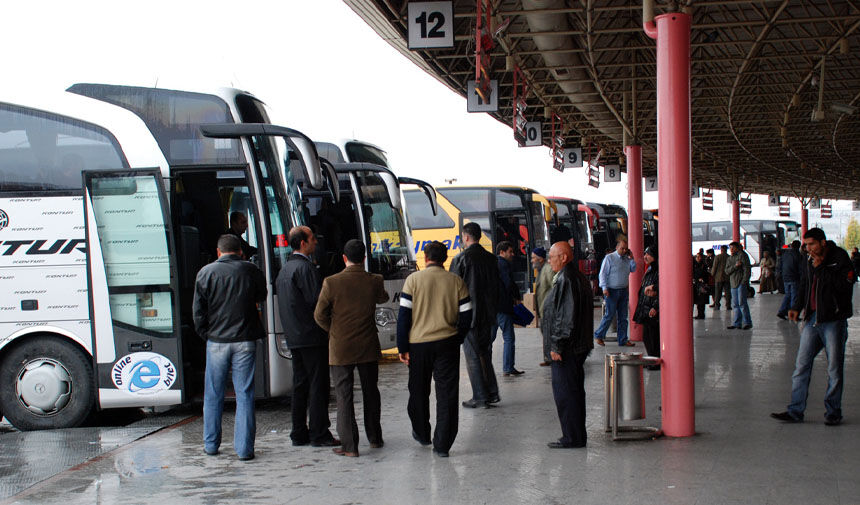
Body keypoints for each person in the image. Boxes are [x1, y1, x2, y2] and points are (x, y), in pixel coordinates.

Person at [771, 228, 855, 426]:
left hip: (833, 320)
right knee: (801, 366)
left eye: (811, 244)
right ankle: (795, 410)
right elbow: (805, 285)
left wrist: (821, 268)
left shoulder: (839, 257)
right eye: (806, 245)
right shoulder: (808, 260)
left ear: (823, 243)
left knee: (834, 368)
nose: (807, 248)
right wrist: (796, 306)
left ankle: (833, 412)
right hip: (812, 319)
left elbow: (844, 286)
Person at [193, 234, 266, 461]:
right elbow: (261, 296)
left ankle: (211, 445)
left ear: (218, 252)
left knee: (213, 394)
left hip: (216, 341)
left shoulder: (205, 273)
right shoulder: (250, 270)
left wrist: (208, 335)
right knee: (244, 394)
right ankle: (244, 450)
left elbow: (198, 313)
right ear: (240, 251)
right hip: (244, 340)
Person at [314, 239, 389, 457]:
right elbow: (382, 298)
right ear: (364, 258)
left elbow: (319, 315)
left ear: (344, 258)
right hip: (367, 344)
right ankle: (375, 438)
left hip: (341, 347)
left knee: (344, 395)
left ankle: (350, 446)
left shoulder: (331, 282)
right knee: (371, 392)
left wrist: (334, 331)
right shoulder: (375, 280)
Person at [397, 241, 472, 457]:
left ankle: (422, 432)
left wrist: (403, 347)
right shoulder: (456, 281)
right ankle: (442, 445)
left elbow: (404, 317)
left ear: (425, 257)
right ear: (445, 258)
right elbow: (467, 315)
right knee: (447, 394)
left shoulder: (413, 280)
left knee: (418, 390)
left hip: (418, 345)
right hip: (447, 343)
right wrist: (457, 338)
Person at [276, 226, 339, 448]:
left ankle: (298, 432)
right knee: (317, 385)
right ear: (302, 243)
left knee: (300, 385)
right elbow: (317, 302)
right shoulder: (306, 270)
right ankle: (319, 432)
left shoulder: (285, 270)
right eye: (312, 239)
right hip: (312, 335)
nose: (316, 243)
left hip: (295, 336)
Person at [543, 241, 594, 448]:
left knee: (566, 393)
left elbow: (566, 318)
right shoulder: (574, 276)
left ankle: (572, 437)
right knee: (572, 391)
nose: (549, 260)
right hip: (576, 346)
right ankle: (575, 435)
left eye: (552, 257)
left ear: (563, 257)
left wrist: (557, 346)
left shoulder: (567, 279)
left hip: (568, 348)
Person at [449, 222, 501, 408]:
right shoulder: (491, 258)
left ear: (466, 237)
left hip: (469, 315)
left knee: (472, 356)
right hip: (488, 314)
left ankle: (479, 396)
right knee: (485, 354)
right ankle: (492, 392)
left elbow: (453, 288)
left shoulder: (461, 259)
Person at [594, 236, 636, 346]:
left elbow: (633, 269)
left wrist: (632, 258)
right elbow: (602, 274)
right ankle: (599, 335)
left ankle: (622, 339)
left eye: (626, 249)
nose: (624, 251)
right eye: (622, 248)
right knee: (610, 314)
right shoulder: (609, 258)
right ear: (617, 247)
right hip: (611, 290)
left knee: (623, 316)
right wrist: (604, 288)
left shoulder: (627, 259)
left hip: (623, 290)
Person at [493, 241, 524, 376]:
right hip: (503, 306)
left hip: (493, 307)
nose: (512, 254)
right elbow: (508, 283)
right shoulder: (504, 264)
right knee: (509, 338)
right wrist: (515, 297)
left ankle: (484, 366)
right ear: (502, 252)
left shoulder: (492, 263)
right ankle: (508, 368)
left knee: (489, 338)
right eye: (510, 252)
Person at [633, 246, 659, 369]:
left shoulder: (659, 269)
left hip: (652, 308)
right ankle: (651, 359)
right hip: (646, 306)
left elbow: (663, 289)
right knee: (647, 336)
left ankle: (654, 361)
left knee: (653, 337)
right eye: (645, 254)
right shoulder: (650, 269)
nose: (645, 257)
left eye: (648, 254)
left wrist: (655, 307)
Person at [532, 247, 555, 367]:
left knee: (547, 333)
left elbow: (554, 288)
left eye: (533, 258)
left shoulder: (548, 270)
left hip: (548, 308)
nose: (532, 261)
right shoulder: (542, 270)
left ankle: (550, 358)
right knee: (545, 332)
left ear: (540, 259)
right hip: (543, 308)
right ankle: (548, 357)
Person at [725, 241, 752, 330]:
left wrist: (744, 281)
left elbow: (746, 269)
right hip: (733, 283)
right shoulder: (729, 258)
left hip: (740, 282)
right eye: (730, 248)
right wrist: (735, 266)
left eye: (733, 248)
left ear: (737, 248)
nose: (731, 250)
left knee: (742, 303)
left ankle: (747, 322)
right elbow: (727, 271)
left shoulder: (742, 255)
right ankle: (737, 323)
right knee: (735, 304)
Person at [777, 240, 802, 320]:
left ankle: (782, 311)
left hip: (785, 277)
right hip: (794, 277)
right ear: (799, 246)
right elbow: (800, 268)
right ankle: (793, 314)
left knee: (788, 295)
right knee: (794, 296)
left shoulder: (785, 254)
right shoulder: (798, 255)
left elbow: (780, 264)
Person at [710, 245, 732, 310]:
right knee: (727, 292)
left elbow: (714, 267)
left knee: (718, 292)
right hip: (727, 277)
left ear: (721, 249)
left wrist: (712, 274)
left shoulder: (718, 257)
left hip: (718, 277)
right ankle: (728, 305)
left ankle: (717, 305)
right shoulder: (729, 257)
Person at [693, 252, 710, 319]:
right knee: (699, 301)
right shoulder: (696, 265)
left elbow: (703, 274)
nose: (698, 258)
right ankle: (700, 314)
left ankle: (701, 314)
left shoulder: (702, 266)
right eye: (697, 257)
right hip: (698, 284)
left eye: (699, 257)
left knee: (701, 301)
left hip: (701, 285)